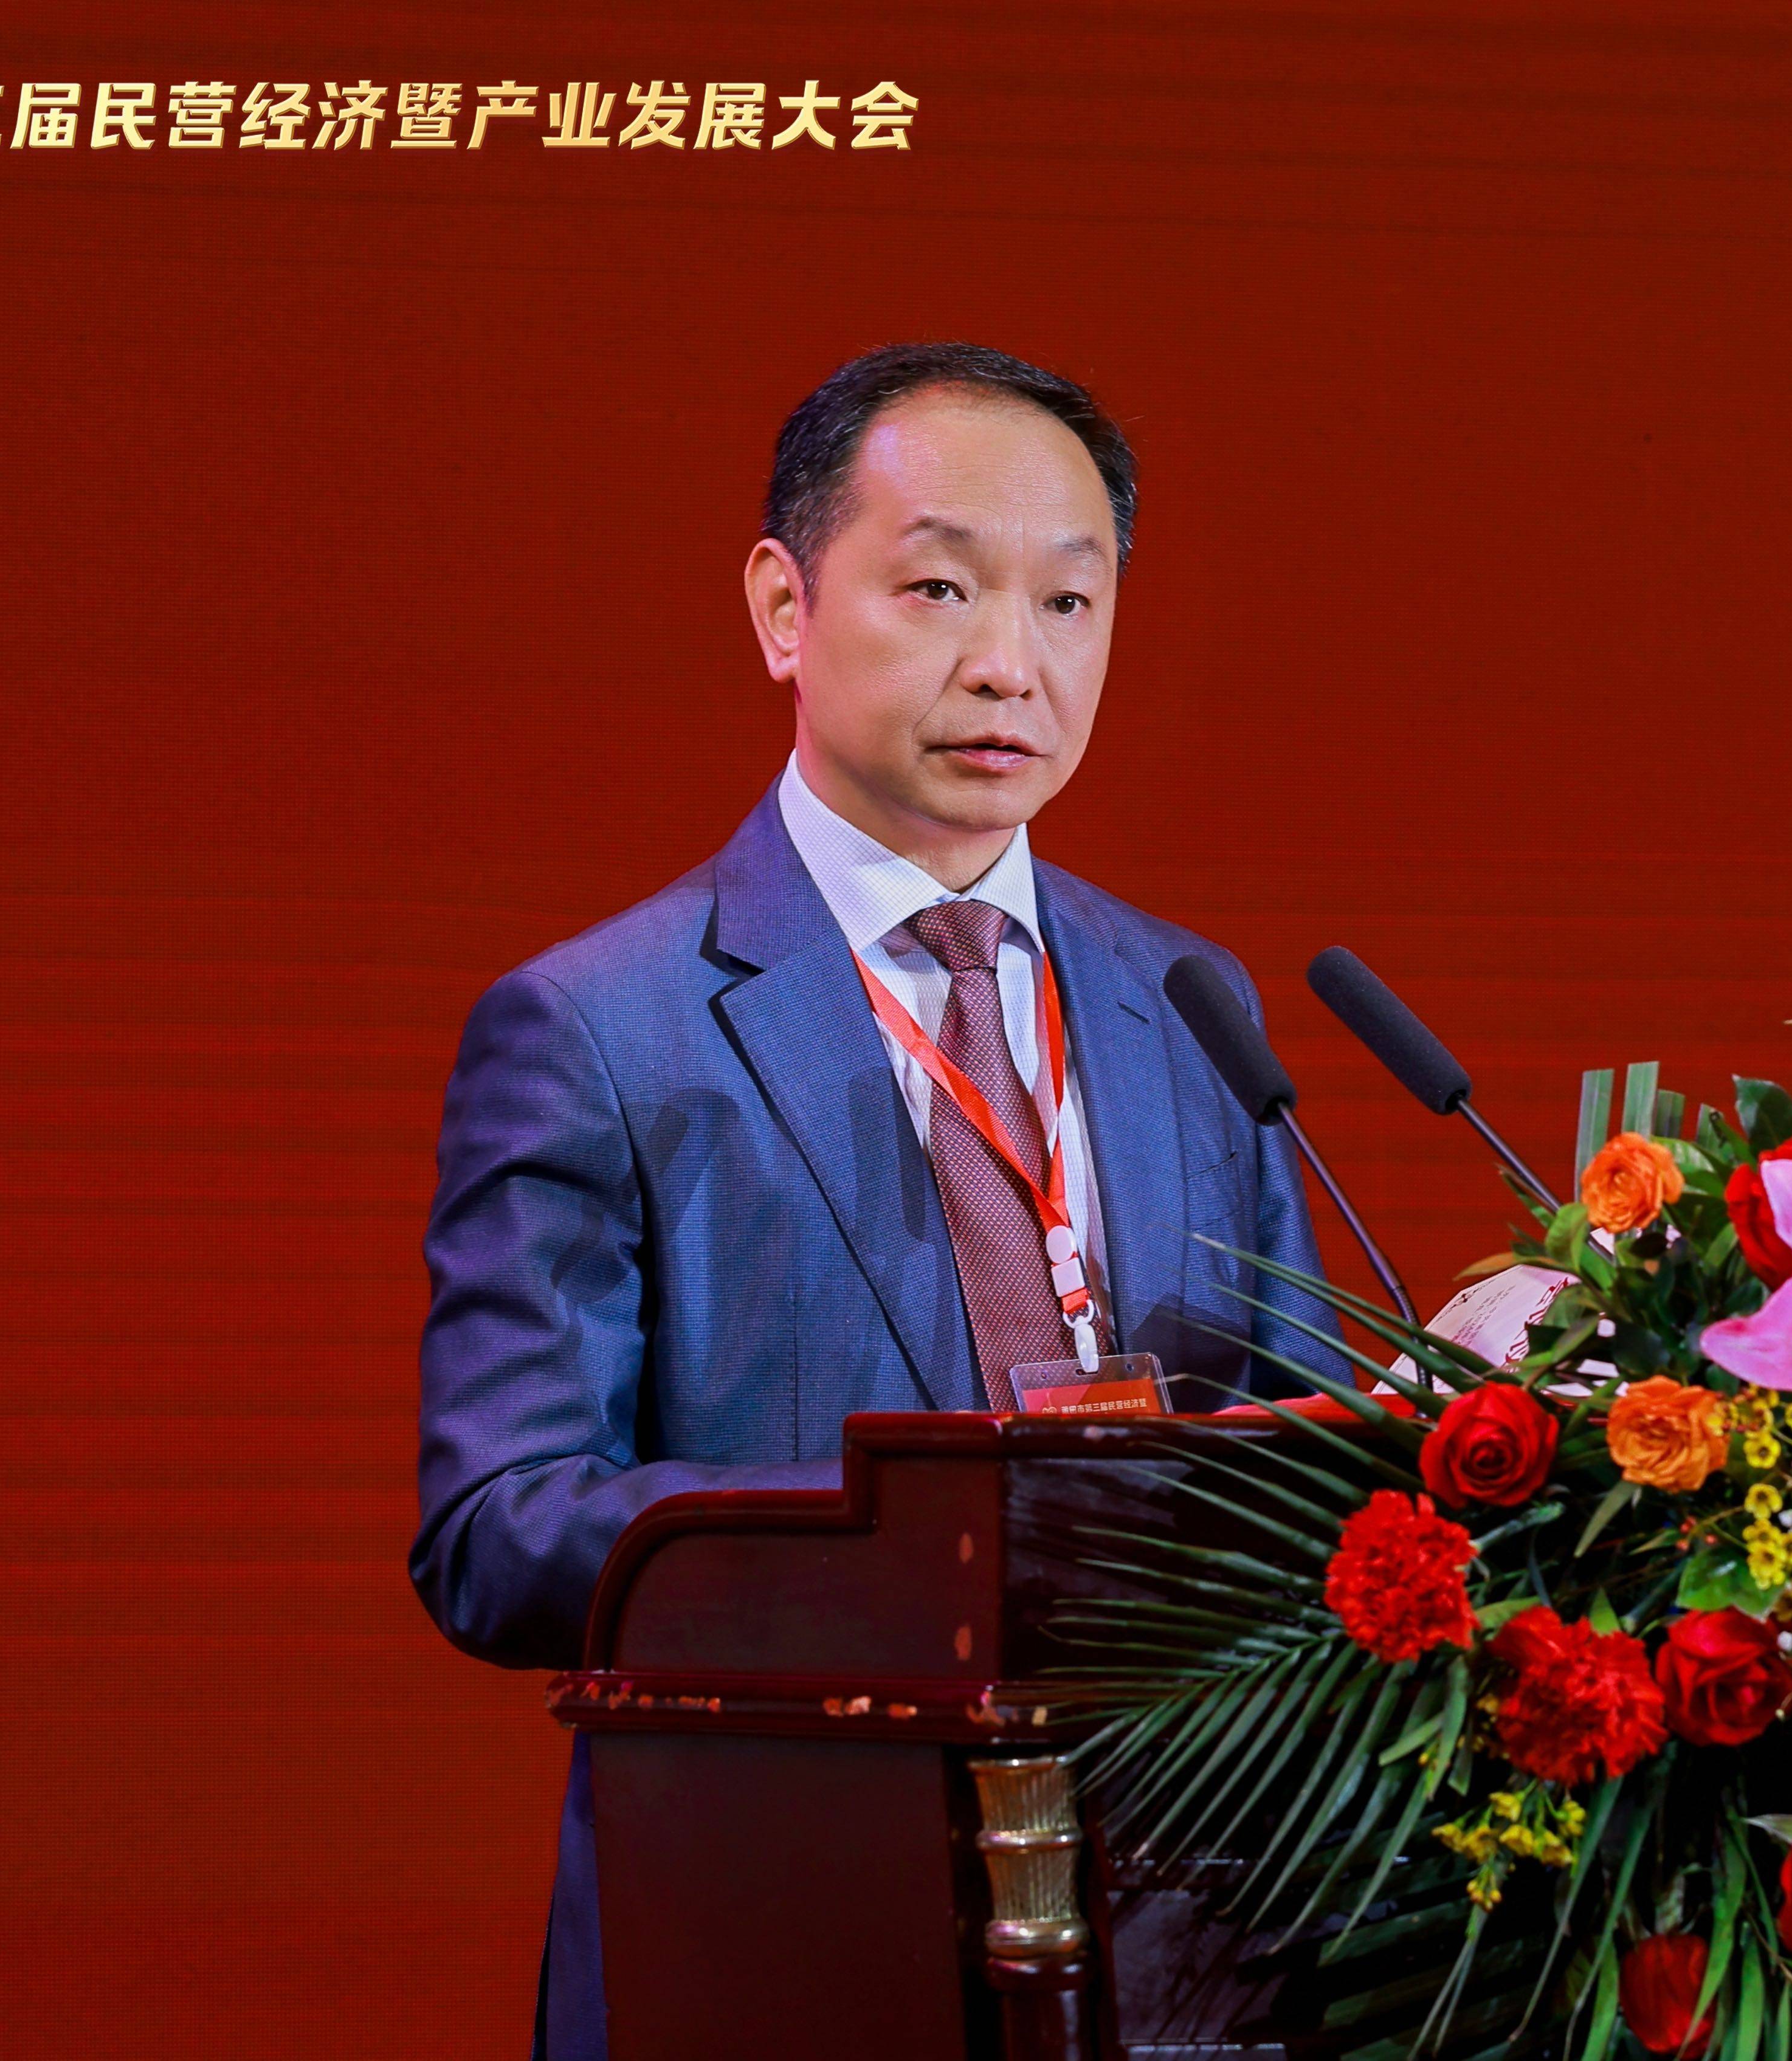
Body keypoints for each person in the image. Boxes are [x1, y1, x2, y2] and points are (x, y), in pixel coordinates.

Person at [408, 342, 1338, 2060]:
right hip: (780, 1921)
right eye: (939, 589)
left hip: (1197, 1930)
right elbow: (497, 1532)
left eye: (1069, 604)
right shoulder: (602, 1029)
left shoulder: (1186, 1002)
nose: (1010, 663)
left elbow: (1300, 1457)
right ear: (784, 606)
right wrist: (924, 1536)